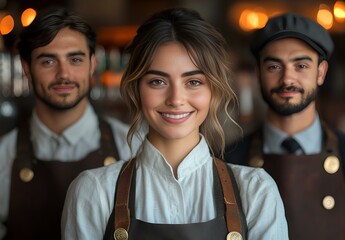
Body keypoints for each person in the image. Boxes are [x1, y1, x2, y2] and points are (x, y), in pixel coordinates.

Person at [62, 7, 288, 240]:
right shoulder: (94, 192)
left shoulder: (256, 191)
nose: (176, 99)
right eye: (158, 81)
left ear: (214, 90)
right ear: (136, 88)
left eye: (193, 81)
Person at [0, 7, 141, 240]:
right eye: (48, 61)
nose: (63, 74)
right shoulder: (3, 156)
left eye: (75, 59)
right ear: (27, 69)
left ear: (92, 64)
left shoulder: (132, 146)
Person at [224, 13, 345, 239]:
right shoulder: (227, 161)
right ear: (258, 73)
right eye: (274, 67)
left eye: (300, 65)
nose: (287, 79)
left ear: (321, 72)